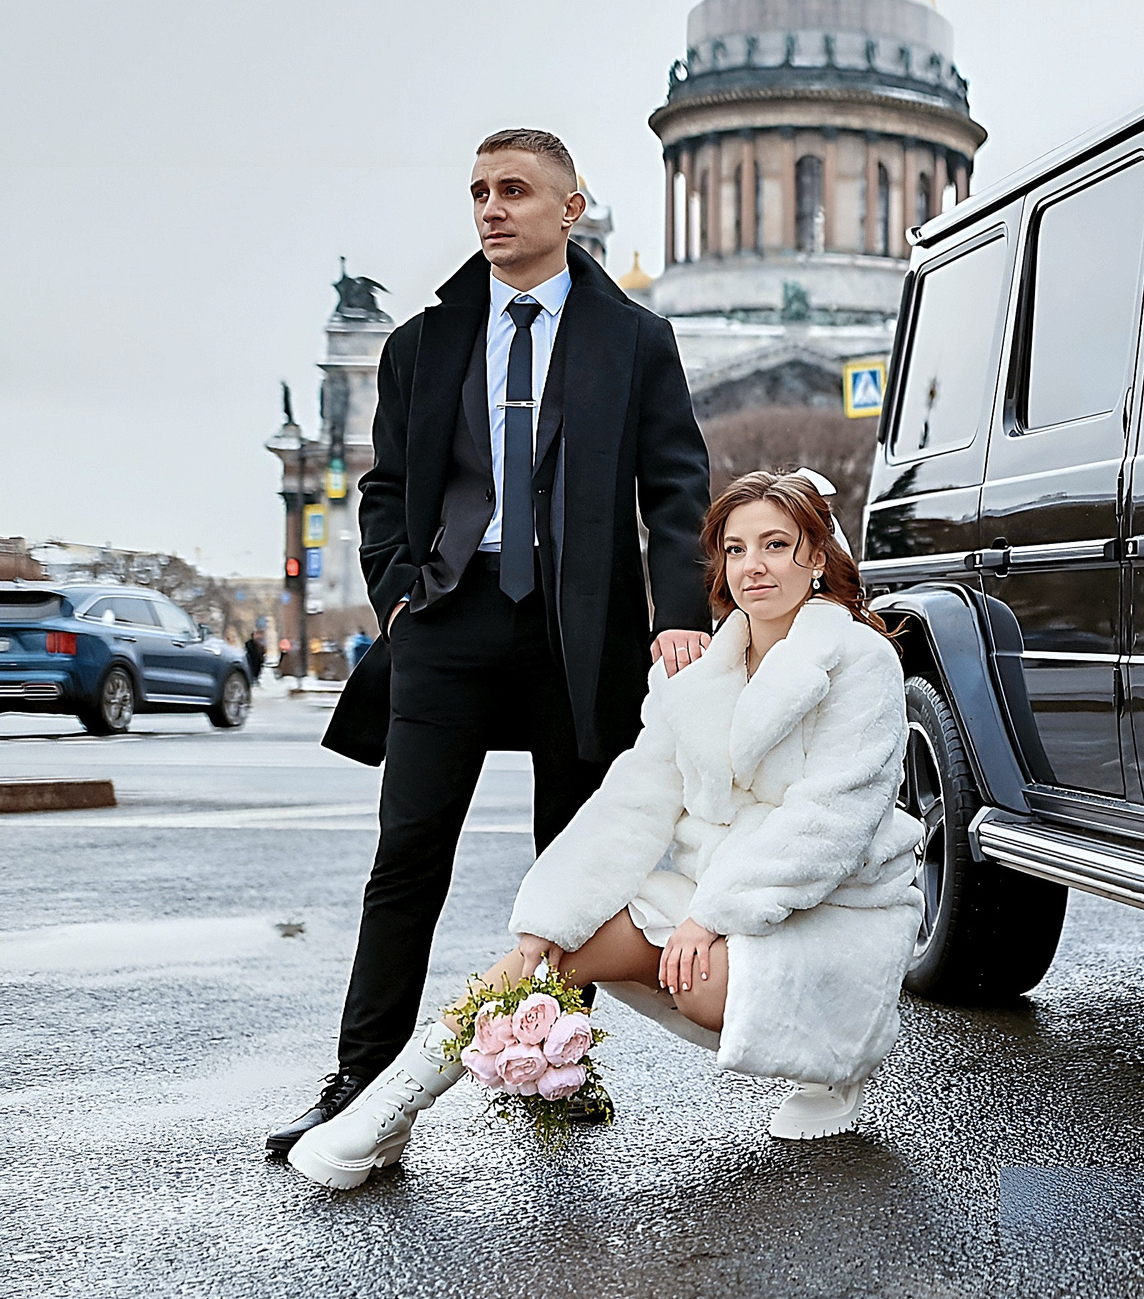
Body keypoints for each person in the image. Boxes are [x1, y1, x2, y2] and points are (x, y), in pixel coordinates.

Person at [265, 128, 713, 1159]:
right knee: (408, 855)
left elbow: (678, 488)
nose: (491, 210)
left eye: (514, 191)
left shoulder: (636, 340)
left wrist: (676, 613)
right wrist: (394, 596)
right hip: (449, 619)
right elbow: (383, 490)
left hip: (580, 624)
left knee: (572, 864)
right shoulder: (422, 344)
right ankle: (357, 1083)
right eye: (477, 193)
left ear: (571, 208)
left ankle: (556, 1072)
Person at [286, 469, 922, 1185]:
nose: (754, 566)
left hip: (830, 906)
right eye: (736, 549)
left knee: (702, 983)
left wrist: (708, 918)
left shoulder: (861, 660)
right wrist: (551, 917)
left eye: (776, 544)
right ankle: (388, 1111)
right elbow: (633, 800)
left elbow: (828, 820)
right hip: (722, 888)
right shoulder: (700, 672)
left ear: (816, 554)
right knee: (547, 955)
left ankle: (833, 1067)